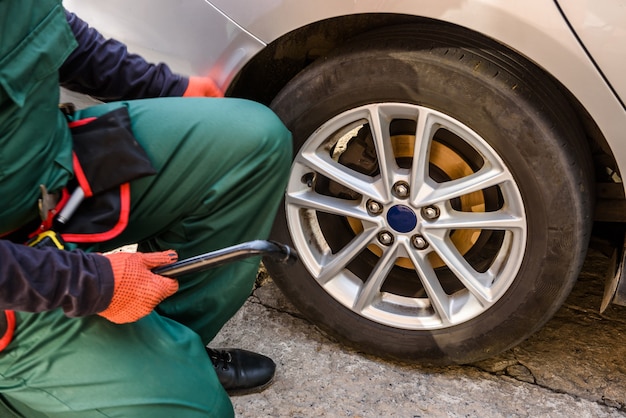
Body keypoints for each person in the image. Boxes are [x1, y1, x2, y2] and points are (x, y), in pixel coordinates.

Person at [0, 2, 292, 417]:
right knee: (200, 411)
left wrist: (165, 86)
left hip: (53, 172)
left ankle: (168, 351)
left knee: (253, 141)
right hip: (12, 279)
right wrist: (93, 284)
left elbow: (46, 29)